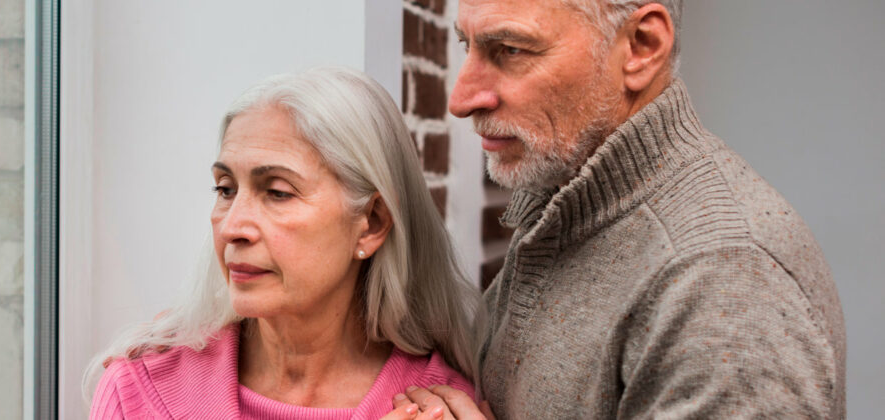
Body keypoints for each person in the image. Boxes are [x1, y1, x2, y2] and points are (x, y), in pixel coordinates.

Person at [384, 0, 846, 418]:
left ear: (641, 46)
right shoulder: (566, 202)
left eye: (509, 49)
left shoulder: (725, 280)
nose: (461, 99)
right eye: (467, 45)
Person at [86, 67, 480, 419]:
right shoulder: (138, 391)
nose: (232, 227)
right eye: (225, 189)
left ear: (371, 223)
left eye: (277, 192)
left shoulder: (441, 410)